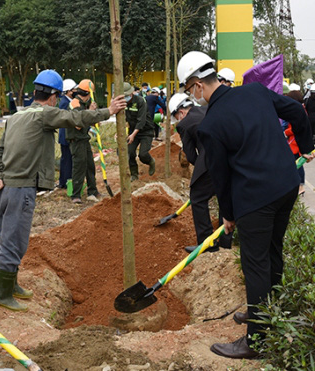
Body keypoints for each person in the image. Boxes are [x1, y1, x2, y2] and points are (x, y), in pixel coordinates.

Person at [177, 51, 314, 359]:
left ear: (198, 85)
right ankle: (268, 313)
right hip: (286, 186)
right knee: (273, 252)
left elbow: (221, 177)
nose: (191, 96)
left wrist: (228, 215)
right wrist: (306, 147)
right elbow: (297, 111)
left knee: (255, 264)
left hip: (256, 199)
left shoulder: (211, 125)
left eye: (189, 89)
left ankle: (257, 341)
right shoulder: (255, 91)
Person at [0, 69, 126, 311]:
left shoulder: (17, 116)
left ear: (35, 91)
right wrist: (109, 112)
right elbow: (76, 120)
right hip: (21, 188)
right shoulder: (45, 114)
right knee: (15, 240)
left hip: (4, 188)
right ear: (53, 96)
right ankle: (1, 293)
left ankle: (10, 284)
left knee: (4, 236)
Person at [168, 92, 232, 253]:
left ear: (181, 112)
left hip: (212, 160)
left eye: (177, 116)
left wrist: (202, 170)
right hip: (231, 156)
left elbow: (190, 155)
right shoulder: (206, 109)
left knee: (197, 198)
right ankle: (226, 241)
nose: (178, 120)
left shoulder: (184, 124)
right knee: (225, 193)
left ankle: (207, 243)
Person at [66, 79, 102, 204]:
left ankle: (93, 191)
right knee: (79, 167)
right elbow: (78, 125)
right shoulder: (75, 105)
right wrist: (91, 112)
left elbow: (87, 121)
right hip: (76, 140)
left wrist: (94, 117)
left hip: (84, 139)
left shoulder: (83, 104)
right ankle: (75, 195)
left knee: (90, 166)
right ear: (87, 93)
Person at [124, 81, 156, 181]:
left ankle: (151, 162)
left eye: (126, 95)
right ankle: (134, 174)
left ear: (131, 93)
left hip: (146, 131)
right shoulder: (122, 103)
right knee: (130, 153)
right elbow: (122, 119)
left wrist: (133, 135)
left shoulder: (140, 101)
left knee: (143, 154)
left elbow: (141, 121)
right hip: (133, 131)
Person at [57, 79, 78, 189]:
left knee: (67, 159)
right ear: (69, 91)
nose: (76, 91)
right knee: (66, 160)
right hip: (65, 136)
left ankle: (65, 181)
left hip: (66, 135)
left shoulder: (68, 101)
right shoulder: (65, 103)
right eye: (74, 89)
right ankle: (64, 182)